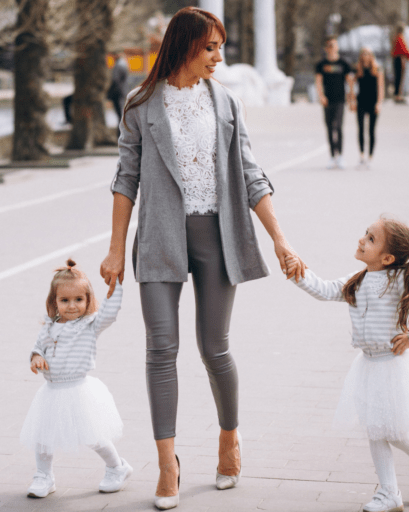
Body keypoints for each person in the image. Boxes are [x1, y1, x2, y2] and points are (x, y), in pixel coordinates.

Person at [100, 6, 306, 510]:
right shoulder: (140, 103)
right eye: (211, 47)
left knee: (214, 348)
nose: (219, 57)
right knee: (160, 348)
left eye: (221, 48)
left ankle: (229, 438)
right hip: (159, 238)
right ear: (185, 46)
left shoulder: (226, 102)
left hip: (218, 234)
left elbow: (252, 175)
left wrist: (280, 238)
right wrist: (112, 249)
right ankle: (167, 464)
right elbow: (127, 179)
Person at [284, 217, 409, 512]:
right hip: (369, 366)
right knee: (377, 430)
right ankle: (389, 493)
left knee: (393, 431)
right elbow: (324, 289)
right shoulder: (356, 281)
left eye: (371, 239)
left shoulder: (399, 281)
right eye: (365, 234)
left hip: (394, 366)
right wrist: (299, 274)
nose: (362, 239)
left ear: (387, 258)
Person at [20, 260, 132, 498]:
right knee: (43, 437)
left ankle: (117, 467)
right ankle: (44, 476)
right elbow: (38, 347)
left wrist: (116, 284)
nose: (72, 306)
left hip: (79, 390)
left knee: (94, 435)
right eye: (65, 300)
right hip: (51, 391)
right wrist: (36, 358)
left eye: (79, 300)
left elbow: (110, 313)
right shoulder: (50, 325)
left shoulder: (90, 325)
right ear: (54, 302)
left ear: (88, 300)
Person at [315, 36, 353, 169]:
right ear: (326, 48)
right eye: (329, 45)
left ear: (337, 47)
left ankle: (340, 155)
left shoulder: (343, 63)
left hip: (340, 100)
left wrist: (351, 98)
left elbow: (350, 81)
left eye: (334, 45)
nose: (332, 48)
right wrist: (321, 96)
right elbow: (318, 81)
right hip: (327, 100)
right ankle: (332, 156)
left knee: (339, 126)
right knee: (330, 127)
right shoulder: (322, 64)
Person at [349, 47, 384, 168]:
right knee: (361, 129)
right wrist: (352, 101)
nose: (366, 56)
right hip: (361, 102)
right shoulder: (357, 69)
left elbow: (380, 87)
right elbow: (351, 86)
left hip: (373, 102)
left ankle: (370, 157)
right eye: (364, 54)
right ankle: (362, 156)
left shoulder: (377, 69)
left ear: (372, 55)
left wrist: (379, 103)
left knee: (371, 130)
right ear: (361, 56)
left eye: (369, 54)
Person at [107, 52, 130, 137]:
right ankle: (121, 134)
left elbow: (115, 80)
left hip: (118, 93)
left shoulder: (118, 66)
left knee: (120, 114)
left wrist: (109, 93)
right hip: (122, 92)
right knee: (121, 114)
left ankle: (121, 134)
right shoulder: (124, 64)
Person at [391, 25, 409, 103]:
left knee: (398, 77)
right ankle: (398, 95)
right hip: (399, 59)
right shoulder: (400, 37)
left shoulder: (396, 37)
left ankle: (398, 94)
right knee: (399, 77)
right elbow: (403, 49)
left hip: (397, 59)